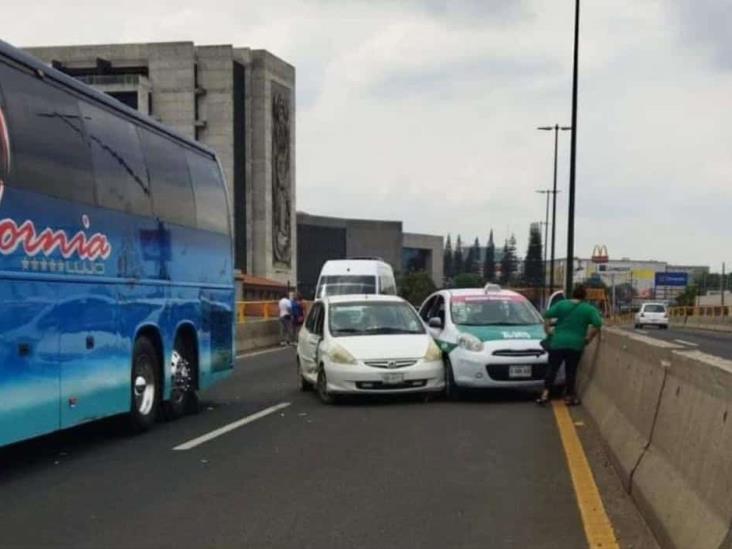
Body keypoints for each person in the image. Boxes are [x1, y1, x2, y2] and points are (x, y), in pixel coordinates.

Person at [536, 284, 602, 406]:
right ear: (584, 296)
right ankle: (569, 396)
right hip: (576, 344)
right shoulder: (588, 309)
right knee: (570, 371)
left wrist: (547, 330)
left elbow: (547, 315)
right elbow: (598, 324)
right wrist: (588, 338)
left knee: (552, 369)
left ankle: (545, 394)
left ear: (572, 294)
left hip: (558, 342)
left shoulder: (562, 304)